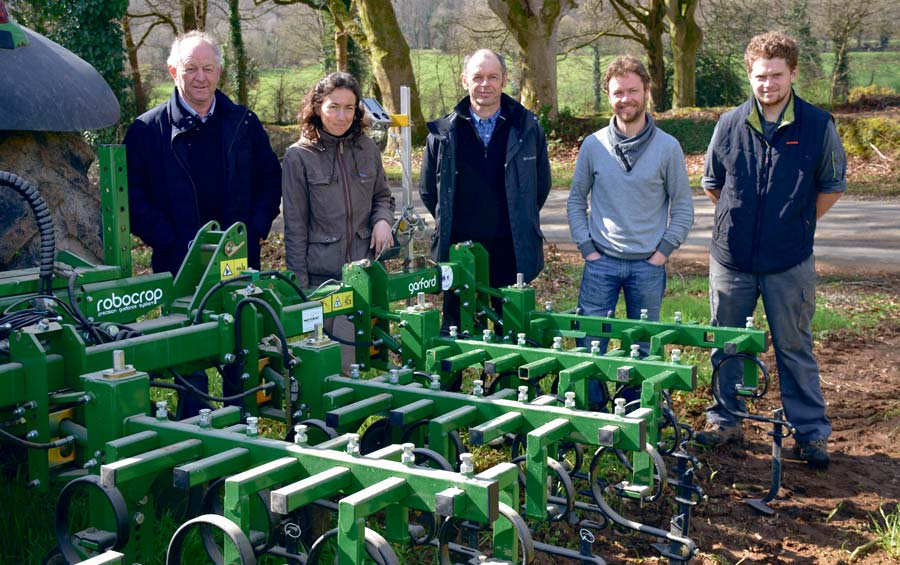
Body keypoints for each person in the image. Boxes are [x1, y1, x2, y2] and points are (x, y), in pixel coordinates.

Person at [695, 31, 846, 471]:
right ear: (750, 76)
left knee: (794, 346)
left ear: (793, 73)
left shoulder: (818, 125)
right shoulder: (729, 123)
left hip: (789, 262)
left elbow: (832, 185)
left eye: (777, 76)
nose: (768, 85)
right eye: (760, 76)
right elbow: (712, 184)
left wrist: (796, 224)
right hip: (732, 260)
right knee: (728, 345)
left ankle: (811, 433)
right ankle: (726, 420)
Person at [123, 31, 282, 417]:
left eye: (208, 68)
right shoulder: (147, 131)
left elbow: (269, 180)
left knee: (242, 347)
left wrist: (256, 229)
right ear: (173, 70)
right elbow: (134, 199)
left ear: (220, 72)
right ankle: (192, 432)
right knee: (186, 353)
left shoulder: (244, 123)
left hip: (238, 261)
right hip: (180, 265)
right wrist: (170, 241)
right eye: (190, 68)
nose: (200, 77)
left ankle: (244, 427)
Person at [566, 55, 694, 407]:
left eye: (633, 91)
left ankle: (636, 411)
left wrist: (661, 253)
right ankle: (591, 413)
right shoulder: (593, 145)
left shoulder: (668, 147)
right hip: (600, 263)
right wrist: (587, 249)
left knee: (642, 344)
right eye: (618, 92)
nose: (626, 99)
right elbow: (576, 201)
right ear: (609, 95)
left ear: (647, 91)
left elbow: (683, 207)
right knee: (590, 344)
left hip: (647, 267)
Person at [420, 48, 551, 331]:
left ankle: (506, 378)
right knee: (456, 333)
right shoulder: (443, 133)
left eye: (493, 77)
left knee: (513, 333)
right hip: (459, 251)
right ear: (464, 80)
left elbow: (540, 187)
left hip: (511, 248)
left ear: (504, 80)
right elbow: (430, 191)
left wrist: (518, 217)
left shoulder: (527, 127)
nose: (485, 84)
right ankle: (453, 377)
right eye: (477, 77)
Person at [282, 72, 395, 367]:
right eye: (334, 106)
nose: (341, 116)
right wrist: (301, 288)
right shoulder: (299, 157)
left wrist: (383, 220)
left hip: (365, 273)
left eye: (349, 108)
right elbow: (294, 227)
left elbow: (383, 197)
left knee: (361, 363)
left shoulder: (367, 149)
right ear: (318, 107)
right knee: (333, 368)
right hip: (324, 280)